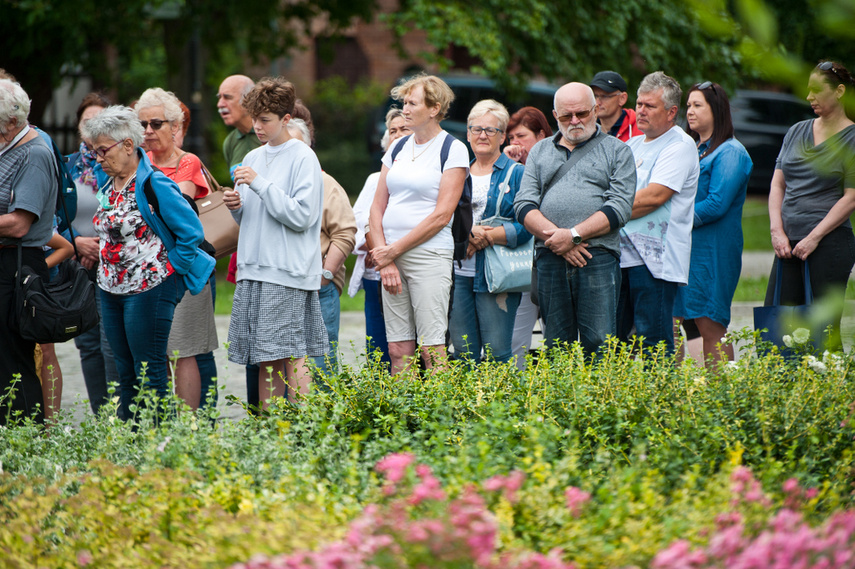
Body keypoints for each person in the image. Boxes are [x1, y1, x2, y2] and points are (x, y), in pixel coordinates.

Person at [81, 105, 214, 420]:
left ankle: (158, 445)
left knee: (149, 369)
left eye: (103, 150)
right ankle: (134, 440)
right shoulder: (108, 184)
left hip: (149, 287)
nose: (98, 158)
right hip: (111, 288)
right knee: (124, 371)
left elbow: (191, 232)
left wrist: (171, 270)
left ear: (128, 145)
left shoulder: (155, 184)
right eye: (94, 151)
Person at [223, 77, 327, 409]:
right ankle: (272, 433)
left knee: (294, 354)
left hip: (286, 271)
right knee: (265, 358)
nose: (258, 127)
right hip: (253, 268)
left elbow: (302, 217)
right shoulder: (252, 157)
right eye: (254, 119)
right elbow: (253, 219)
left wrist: (261, 185)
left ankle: (303, 430)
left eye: (265, 120)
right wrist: (236, 207)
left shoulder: (302, 157)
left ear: (285, 119)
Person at [513, 83, 636, 355]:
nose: (575, 121)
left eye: (582, 113)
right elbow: (523, 205)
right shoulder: (540, 151)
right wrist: (559, 238)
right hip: (549, 256)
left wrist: (573, 236)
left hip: (598, 257)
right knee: (557, 346)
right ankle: (561, 398)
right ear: (554, 115)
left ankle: (597, 397)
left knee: (599, 343)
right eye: (567, 116)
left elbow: (619, 208)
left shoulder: (618, 151)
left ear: (595, 110)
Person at [368, 74, 469, 375]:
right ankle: (403, 420)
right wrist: (385, 258)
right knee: (398, 350)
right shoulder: (397, 149)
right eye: (404, 103)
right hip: (391, 259)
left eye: (412, 103)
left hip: (429, 257)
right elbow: (376, 207)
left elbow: (442, 216)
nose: (405, 110)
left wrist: (392, 250)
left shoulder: (452, 149)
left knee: (432, 349)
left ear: (434, 108)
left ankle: (437, 420)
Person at [137, 87, 219, 410]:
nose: (148, 131)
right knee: (158, 352)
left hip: (181, 266)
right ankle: (161, 425)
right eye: (142, 124)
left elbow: (178, 205)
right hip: (146, 268)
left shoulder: (187, 162)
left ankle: (190, 427)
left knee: (184, 351)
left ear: (175, 127)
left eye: (156, 124)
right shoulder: (139, 162)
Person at [765, 60, 855, 350]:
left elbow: (851, 196)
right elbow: (778, 184)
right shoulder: (796, 130)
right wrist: (777, 230)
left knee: (823, 330)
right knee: (781, 326)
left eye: (817, 90)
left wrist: (814, 237)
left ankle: (832, 392)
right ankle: (787, 391)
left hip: (828, 243)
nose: (809, 97)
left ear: (840, 91)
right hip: (787, 243)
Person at [617, 72, 699, 354]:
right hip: (620, 256)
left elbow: (653, 197)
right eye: (639, 103)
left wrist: (605, 215)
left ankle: (661, 397)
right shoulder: (632, 145)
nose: (640, 110)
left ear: (671, 112)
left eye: (649, 106)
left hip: (655, 262)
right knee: (614, 341)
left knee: (654, 340)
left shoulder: (680, 145)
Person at [673, 82, 753, 365]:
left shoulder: (731, 152)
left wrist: (673, 220)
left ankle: (721, 400)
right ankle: (668, 396)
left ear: (716, 110)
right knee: (670, 325)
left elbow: (716, 205)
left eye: (698, 105)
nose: (690, 111)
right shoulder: (692, 148)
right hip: (683, 249)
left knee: (711, 327)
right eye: (689, 105)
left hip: (713, 252)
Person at [448, 100, 531, 363]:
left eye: (491, 130)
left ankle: (500, 405)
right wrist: (465, 233)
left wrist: (487, 237)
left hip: (497, 277)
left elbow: (527, 224)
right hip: (459, 274)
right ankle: (469, 405)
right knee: (463, 354)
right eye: (476, 129)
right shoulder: (456, 173)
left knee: (498, 353)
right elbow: (441, 216)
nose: (482, 135)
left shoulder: (518, 174)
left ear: (503, 136)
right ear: (468, 133)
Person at [0, 78, 59, 425]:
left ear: (11, 121)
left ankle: (26, 442)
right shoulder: (8, 147)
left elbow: (21, 224)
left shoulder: (34, 153)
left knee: (14, 361)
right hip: (7, 261)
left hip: (18, 264)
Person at [287, 117, 357, 377]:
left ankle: (323, 419)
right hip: (280, 286)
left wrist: (326, 275)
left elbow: (346, 232)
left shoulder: (325, 183)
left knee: (320, 369)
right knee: (284, 368)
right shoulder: (272, 184)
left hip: (317, 290)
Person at [65, 93, 118, 415]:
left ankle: (122, 414)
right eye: (88, 121)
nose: (94, 127)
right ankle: (103, 417)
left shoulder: (119, 166)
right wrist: (77, 244)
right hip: (76, 264)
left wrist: (99, 244)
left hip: (114, 261)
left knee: (112, 343)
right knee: (87, 345)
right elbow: (53, 214)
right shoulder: (66, 166)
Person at [349, 108, 411, 365]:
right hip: (378, 276)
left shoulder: (427, 176)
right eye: (392, 131)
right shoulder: (374, 179)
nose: (397, 135)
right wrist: (383, 254)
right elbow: (357, 227)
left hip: (414, 271)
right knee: (379, 348)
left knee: (412, 347)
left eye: (403, 129)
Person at [503, 106, 553, 368]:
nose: (515, 143)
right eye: (511, 138)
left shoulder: (555, 162)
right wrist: (507, 165)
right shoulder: (508, 169)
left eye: (521, 136)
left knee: (557, 338)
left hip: (553, 258)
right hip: (519, 264)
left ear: (541, 136)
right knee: (514, 341)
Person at [218, 75, 260, 177]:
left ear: (249, 100)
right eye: (219, 98)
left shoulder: (270, 133)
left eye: (227, 97)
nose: (220, 104)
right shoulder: (230, 142)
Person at [589, 71, 640, 142]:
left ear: (622, 98)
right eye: (595, 96)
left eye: (605, 96)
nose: (597, 102)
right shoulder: (586, 130)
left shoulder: (640, 127)